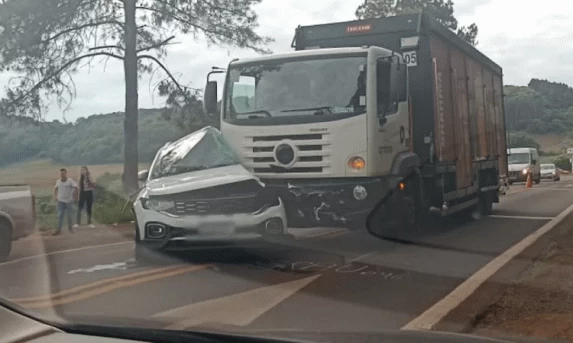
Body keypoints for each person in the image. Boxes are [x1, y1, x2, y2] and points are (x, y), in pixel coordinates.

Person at [53, 168, 79, 235]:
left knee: (69, 215)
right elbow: (55, 189)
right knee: (60, 215)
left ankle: (70, 228)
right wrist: (55, 196)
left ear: (66, 173)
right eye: (61, 173)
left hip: (69, 201)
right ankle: (59, 230)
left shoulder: (70, 181)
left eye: (63, 173)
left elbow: (76, 187)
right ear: (59, 174)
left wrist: (76, 196)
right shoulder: (58, 181)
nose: (62, 174)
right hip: (60, 201)